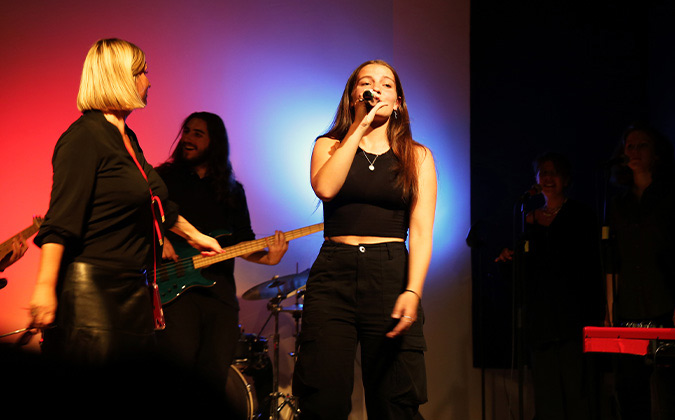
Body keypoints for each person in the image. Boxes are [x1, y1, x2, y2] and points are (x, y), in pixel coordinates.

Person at [27, 39, 223, 367]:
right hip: (93, 291)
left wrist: (195, 236)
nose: (149, 80)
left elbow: (156, 200)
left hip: (132, 287)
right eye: (142, 72)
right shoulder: (84, 138)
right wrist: (45, 288)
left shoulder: (125, 136)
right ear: (121, 78)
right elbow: (60, 221)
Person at [292, 60, 437, 419]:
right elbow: (325, 187)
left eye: (387, 85)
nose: (377, 89)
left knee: (394, 400)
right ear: (353, 96)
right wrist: (359, 126)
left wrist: (413, 291)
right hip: (333, 275)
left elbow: (420, 232)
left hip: (389, 273)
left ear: (398, 101)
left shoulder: (417, 157)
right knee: (322, 397)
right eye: (367, 83)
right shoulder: (328, 145)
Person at [154, 111, 288, 399]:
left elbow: (243, 242)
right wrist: (161, 236)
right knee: (177, 374)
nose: (187, 138)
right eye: (186, 131)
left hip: (220, 295)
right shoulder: (164, 178)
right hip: (175, 292)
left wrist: (269, 259)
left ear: (214, 143)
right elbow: (140, 214)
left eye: (197, 134)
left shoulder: (232, 190)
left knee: (213, 376)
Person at [495, 152, 605, 420]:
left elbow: (591, 266)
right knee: (547, 398)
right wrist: (508, 259)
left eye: (553, 172)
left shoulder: (581, 215)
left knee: (577, 394)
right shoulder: (526, 218)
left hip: (573, 318)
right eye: (542, 172)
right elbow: (523, 273)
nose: (547, 177)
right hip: (540, 320)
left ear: (566, 179)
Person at [606, 124, 675, 420]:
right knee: (630, 392)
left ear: (656, 154)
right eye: (628, 146)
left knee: (668, 390)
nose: (633, 151)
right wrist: (609, 306)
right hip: (629, 306)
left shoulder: (669, 198)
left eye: (641, 145)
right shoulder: (618, 203)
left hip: (664, 302)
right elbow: (612, 261)